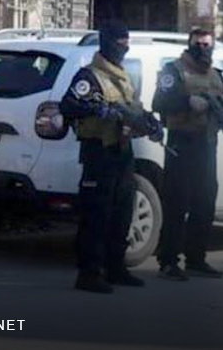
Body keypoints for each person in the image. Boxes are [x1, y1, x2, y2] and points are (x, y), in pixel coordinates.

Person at [60, 23, 163, 294]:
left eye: (127, 41)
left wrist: (149, 123)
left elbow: (133, 108)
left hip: (122, 151)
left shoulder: (122, 77)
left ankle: (116, 267)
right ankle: (89, 273)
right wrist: (101, 111)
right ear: (107, 43)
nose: (124, 47)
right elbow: (69, 104)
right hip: (99, 152)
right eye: (120, 41)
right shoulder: (89, 76)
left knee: (123, 211)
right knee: (96, 214)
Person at [153, 27, 223, 281]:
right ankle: (169, 261)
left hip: (207, 144)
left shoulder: (217, 76)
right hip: (182, 144)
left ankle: (196, 258)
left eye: (207, 45)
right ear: (189, 44)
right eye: (198, 44)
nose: (203, 49)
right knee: (176, 203)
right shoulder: (174, 71)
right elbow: (159, 103)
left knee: (205, 202)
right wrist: (186, 103)